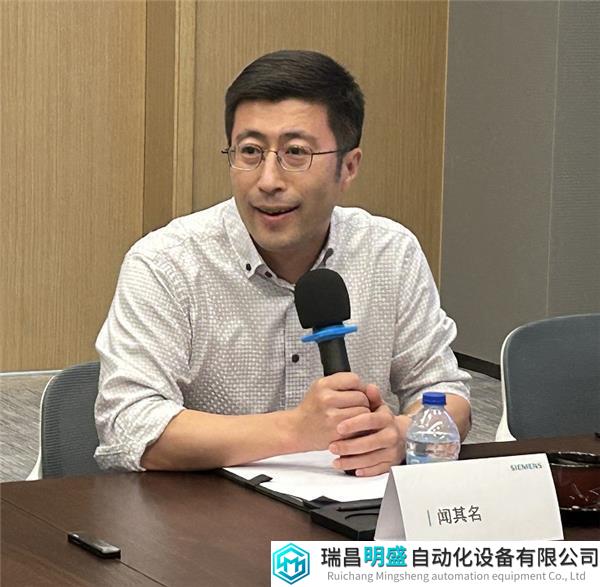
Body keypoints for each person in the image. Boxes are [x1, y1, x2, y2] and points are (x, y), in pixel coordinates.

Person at [95, 50, 471, 477]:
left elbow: (445, 391)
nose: (268, 180)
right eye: (250, 151)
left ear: (348, 167)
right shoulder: (167, 263)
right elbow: (130, 425)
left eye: (296, 153)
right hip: (205, 508)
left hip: (353, 503)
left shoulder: (390, 252)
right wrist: (296, 429)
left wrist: (401, 433)